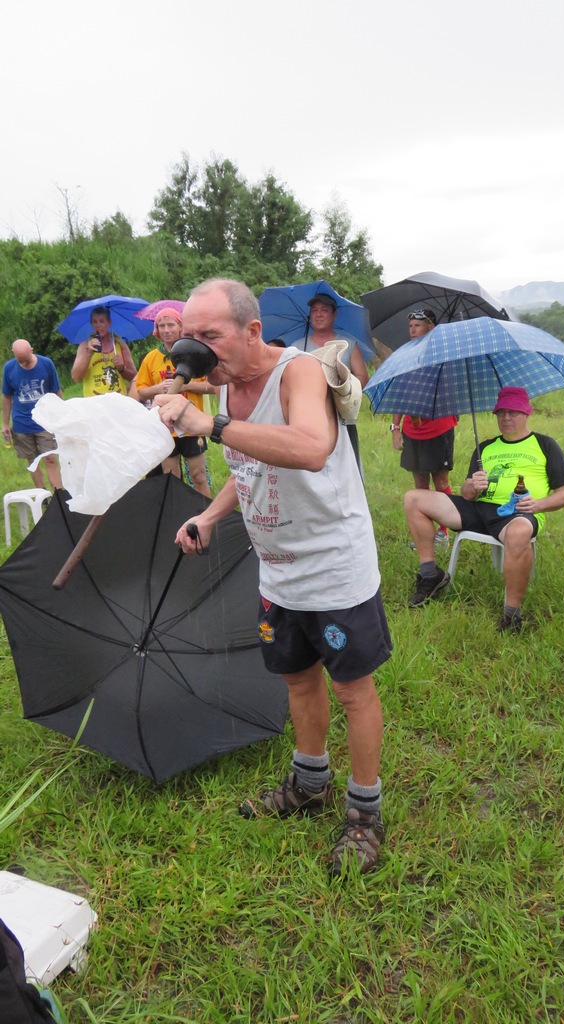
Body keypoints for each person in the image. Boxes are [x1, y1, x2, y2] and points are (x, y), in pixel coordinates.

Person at [155, 278, 392, 876]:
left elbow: (310, 447)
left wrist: (210, 427)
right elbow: (249, 466)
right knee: (297, 679)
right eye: (188, 336)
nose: (194, 348)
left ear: (252, 331)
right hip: (277, 570)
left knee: (352, 690)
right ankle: (310, 783)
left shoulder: (299, 373)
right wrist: (209, 516)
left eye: (210, 335)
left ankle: (365, 814)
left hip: (333, 567)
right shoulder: (225, 386)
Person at [404, 386, 564, 632]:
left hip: (517, 513)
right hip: (477, 509)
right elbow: (466, 493)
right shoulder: (485, 447)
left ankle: (512, 615)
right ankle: (431, 575)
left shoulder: (545, 445)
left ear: (527, 413)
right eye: (501, 413)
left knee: (518, 532)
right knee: (413, 498)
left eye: (513, 412)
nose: (506, 418)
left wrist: (539, 505)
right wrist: (472, 486)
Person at [391, 310, 458, 546]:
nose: (412, 329)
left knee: (440, 483)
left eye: (418, 325)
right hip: (412, 431)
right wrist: (395, 427)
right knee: (420, 485)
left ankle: (444, 531)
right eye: (410, 325)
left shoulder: (443, 356)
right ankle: (425, 532)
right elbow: (399, 394)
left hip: (438, 429)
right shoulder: (404, 356)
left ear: (431, 327)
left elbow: (449, 392)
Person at [134, 307, 212, 496]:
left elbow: (211, 386)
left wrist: (185, 386)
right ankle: (177, 512)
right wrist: (159, 389)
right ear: (157, 330)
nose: (166, 330)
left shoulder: (194, 353)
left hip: (192, 424)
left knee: (198, 475)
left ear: (180, 327)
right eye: (162, 326)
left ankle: (206, 512)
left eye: (171, 325)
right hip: (165, 427)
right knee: (171, 477)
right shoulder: (151, 358)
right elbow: (141, 391)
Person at [291, 293, 368, 471]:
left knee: (347, 468)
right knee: (311, 466)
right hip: (307, 418)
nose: (318, 314)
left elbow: (362, 377)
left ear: (334, 315)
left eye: (324, 310)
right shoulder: (296, 347)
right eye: (314, 310)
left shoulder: (348, 344)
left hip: (342, 418)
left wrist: (343, 386)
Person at [2, 339, 63, 489]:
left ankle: (59, 496)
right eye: (20, 360)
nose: (23, 364)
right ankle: (42, 496)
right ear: (13, 354)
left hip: (45, 421)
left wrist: (62, 415)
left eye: (26, 359)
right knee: (32, 461)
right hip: (22, 423)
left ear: (32, 350)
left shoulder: (46, 364)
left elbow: (56, 390)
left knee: (50, 458)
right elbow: (7, 396)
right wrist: (5, 424)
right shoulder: (9, 368)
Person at [71, 306, 136, 396]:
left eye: (102, 321)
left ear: (109, 322)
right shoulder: (84, 346)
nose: (98, 325)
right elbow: (76, 377)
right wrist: (89, 354)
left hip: (118, 400)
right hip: (94, 401)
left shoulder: (120, 345)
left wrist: (122, 369)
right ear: (91, 324)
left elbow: (134, 377)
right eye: (95, 322)